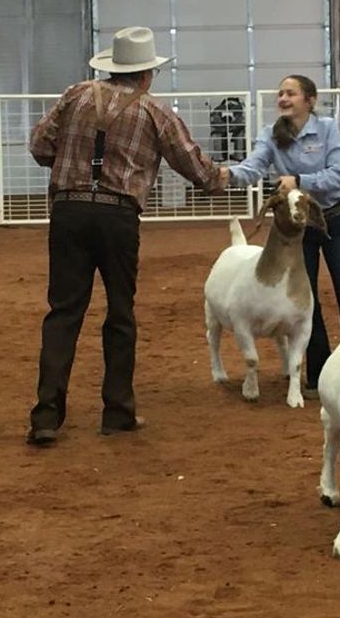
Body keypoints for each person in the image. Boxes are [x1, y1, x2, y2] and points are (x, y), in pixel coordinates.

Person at [27, 26, 227, 447]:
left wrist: (72, 165)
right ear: (146, 74)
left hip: (68, 209)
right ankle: (117, 410)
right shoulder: (156, 112)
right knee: (120, 311)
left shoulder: (76, 95)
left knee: (63, 311)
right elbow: (193, 165)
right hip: (118, 216)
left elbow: (40, 145)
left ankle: (46, 414)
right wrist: (224, 178)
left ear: (112, 67)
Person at [225, 74, 340, 396]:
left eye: (291, 93)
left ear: (310, 100)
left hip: (334, 220)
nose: (283, 99)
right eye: (281, 93)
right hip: (298, 230)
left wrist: (300, 180)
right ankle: (319, 377)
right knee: (307, 302)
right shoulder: (270, 135)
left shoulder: (327, 128)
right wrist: (224, 174)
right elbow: (253, 167)